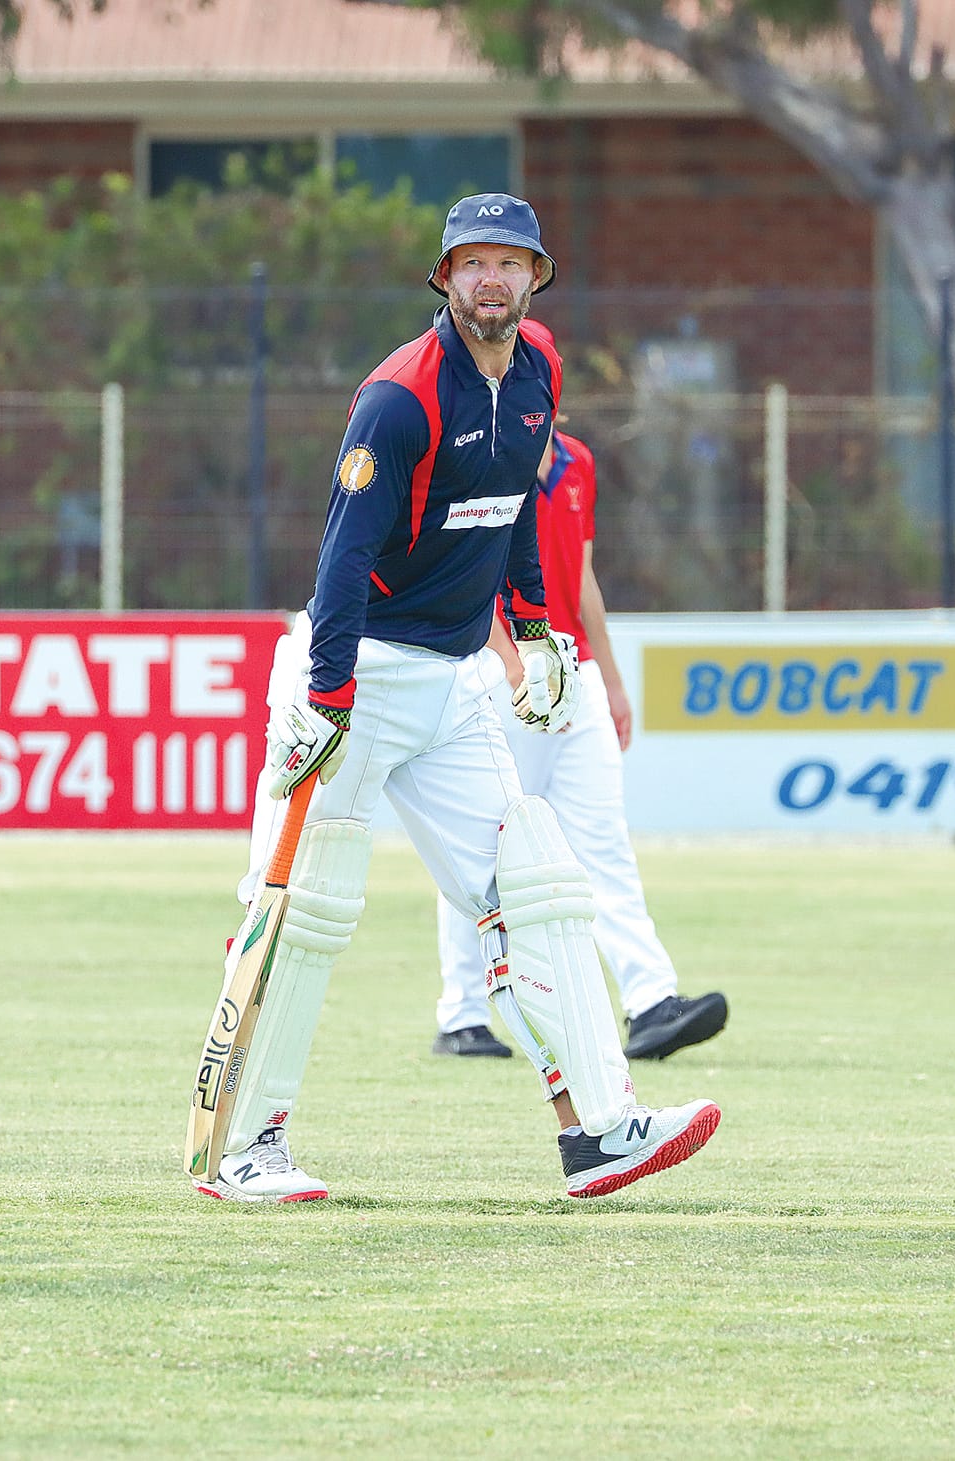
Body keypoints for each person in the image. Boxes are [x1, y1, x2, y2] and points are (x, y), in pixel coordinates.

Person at [195, 194, 719, 1205]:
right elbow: (343, 554)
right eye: (470, 262)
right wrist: (324, 693)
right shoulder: (397, 397)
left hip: (454, 682)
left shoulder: (534, 374)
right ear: (443, 279)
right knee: (296, 913)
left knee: (533, 895)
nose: (490, 279)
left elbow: (513, 509)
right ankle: (241, 1151)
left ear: (535, 276)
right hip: (355, 675)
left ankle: (597, 1133)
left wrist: (531, 628)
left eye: (508, 262)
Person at [432, 428, 729, 1062]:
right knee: (479, 850)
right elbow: (461, 576)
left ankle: (651, 1001)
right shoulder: (476, 458)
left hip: (577, 670)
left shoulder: (577, 462)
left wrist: (611, 680)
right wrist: (513, 665)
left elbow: (583, 576)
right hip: (502, 669)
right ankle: (461, 1012)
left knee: (603, 840)